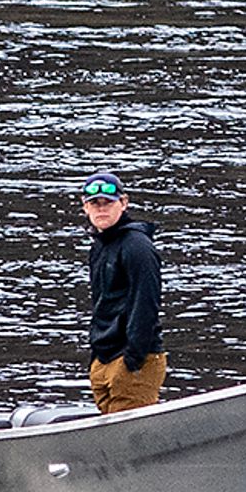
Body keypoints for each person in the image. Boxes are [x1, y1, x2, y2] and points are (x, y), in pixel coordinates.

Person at [81, 174, 164, 412]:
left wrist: (133, 358)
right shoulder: (99, 246)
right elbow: (100, 303)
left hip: (132, 362)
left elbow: (146, 303)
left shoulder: (137, 246)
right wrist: (96, 356)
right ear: (85, 207)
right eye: (95, 203)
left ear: (124, 203)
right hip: (103, 358)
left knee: (131, 437)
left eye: (108, 202)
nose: (101, 209)